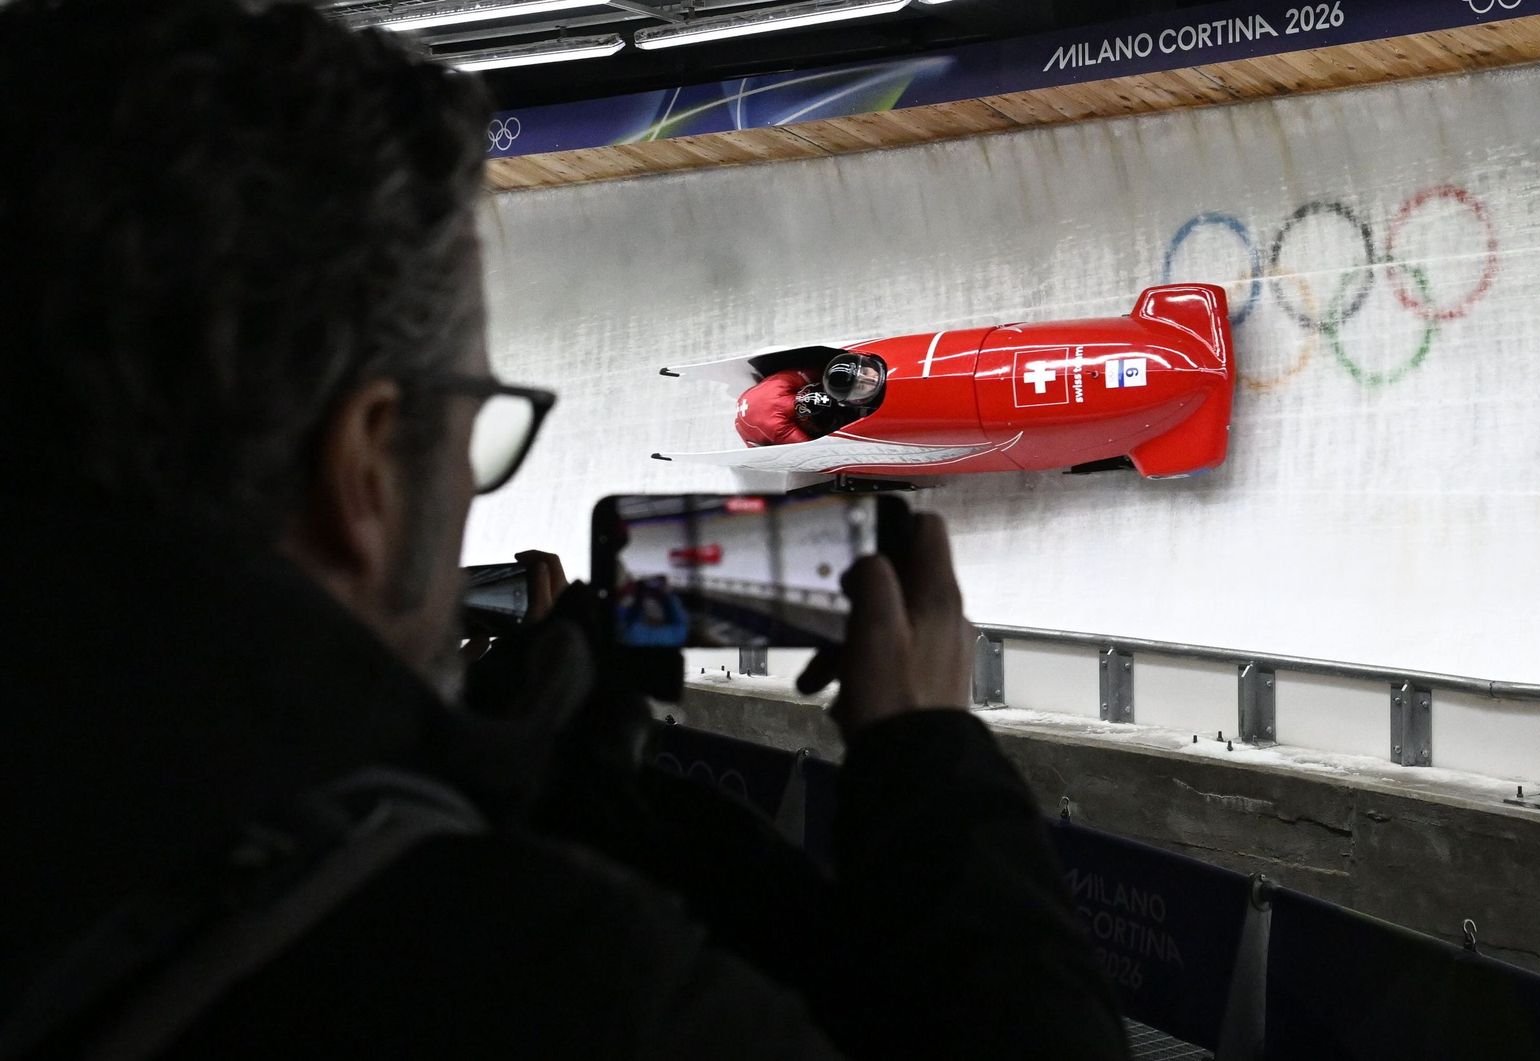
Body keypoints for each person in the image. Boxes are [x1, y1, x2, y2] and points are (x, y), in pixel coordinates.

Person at [0, 2, 1129, 1058]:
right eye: (472, 421)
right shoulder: (537, 979)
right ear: (365, 468)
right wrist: (926, 754)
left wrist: (556, 751)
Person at [734, 368, 849, 447]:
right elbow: (810, 449)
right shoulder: (779, 427)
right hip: (748, 431)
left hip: (755, 395)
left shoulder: (784, 382)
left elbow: (821, 371)